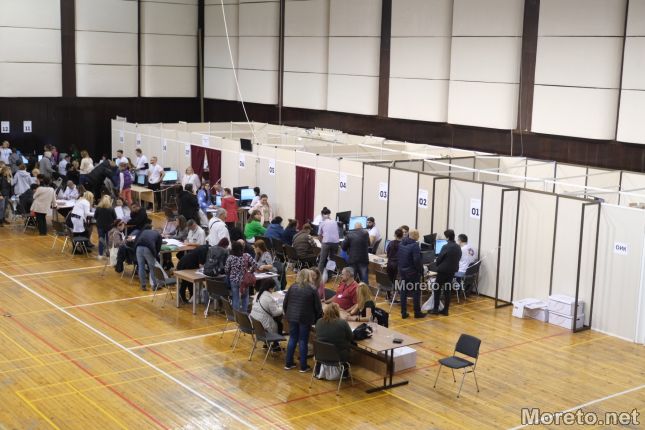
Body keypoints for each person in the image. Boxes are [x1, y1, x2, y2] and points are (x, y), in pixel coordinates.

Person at [283, 269, 322, 372]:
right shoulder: (312, 289)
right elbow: (318, 307)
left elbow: (285, 303)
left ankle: (288, 363)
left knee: (292, 338)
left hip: (292, 317)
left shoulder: (292, 287)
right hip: (305, 318)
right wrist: (317, 318)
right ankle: (303, 366)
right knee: (303, 340)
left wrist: (287, 314)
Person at [430, 229, 462, 316]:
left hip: (443, 270)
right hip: (452, 271)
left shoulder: (446, 246)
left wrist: (437, 264)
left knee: (437, 289)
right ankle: (446, 310)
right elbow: (459, 257)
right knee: (447, 290)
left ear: (447, 237)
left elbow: (439, 258)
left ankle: (435, 309)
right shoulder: (458, 246)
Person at [397, 229, 425, 319]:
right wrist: (421, 270)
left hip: (402, 271)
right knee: (416, 292)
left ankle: (403, 312)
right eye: (418, 235)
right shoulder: (415, 245)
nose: (419, 237)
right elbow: (417, 260)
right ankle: (417, 312)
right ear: (415, 235)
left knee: (403, 292)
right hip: (413, 272)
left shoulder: (401, 243)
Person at [225, 241, 258, 311]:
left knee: (235, 297)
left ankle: (236, 314)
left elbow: (226, 270)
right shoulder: (246, 255)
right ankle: (244, 313)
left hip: (233, 280)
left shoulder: (230, 257)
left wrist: (231, 273)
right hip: (244, 280)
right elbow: (255, 265)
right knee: (245, 297)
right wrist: (251, 272)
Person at [250, 282, 284, 350]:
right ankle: (275, 345)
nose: (274, 289)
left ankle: (266, 343)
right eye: (274, 288)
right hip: (264, 324)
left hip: (255, 321)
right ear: (270, 288)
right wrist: (282, 307)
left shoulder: (258, 294)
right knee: (280, 324)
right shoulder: (269, 298)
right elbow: (276, 313)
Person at [134, 226, 162, 291]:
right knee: (152, 268)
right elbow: (158, 248)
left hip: (138, 248)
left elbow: (136, 240)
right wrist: (155, 255)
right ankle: (155, 285)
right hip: (148, 249)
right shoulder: (158, 235)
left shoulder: (144, 231)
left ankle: (143, 285)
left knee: (141, 267)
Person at [317, 207, 340, 275]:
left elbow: (319, 236)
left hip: (326, 242)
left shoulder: (322, 223)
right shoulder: (335, 222)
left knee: (322, 260)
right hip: (335, 243)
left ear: (322, 214)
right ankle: (329, 275)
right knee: (332, 260)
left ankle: (318, 276)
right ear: (329, 214)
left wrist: (322, 243)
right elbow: (337, 232)